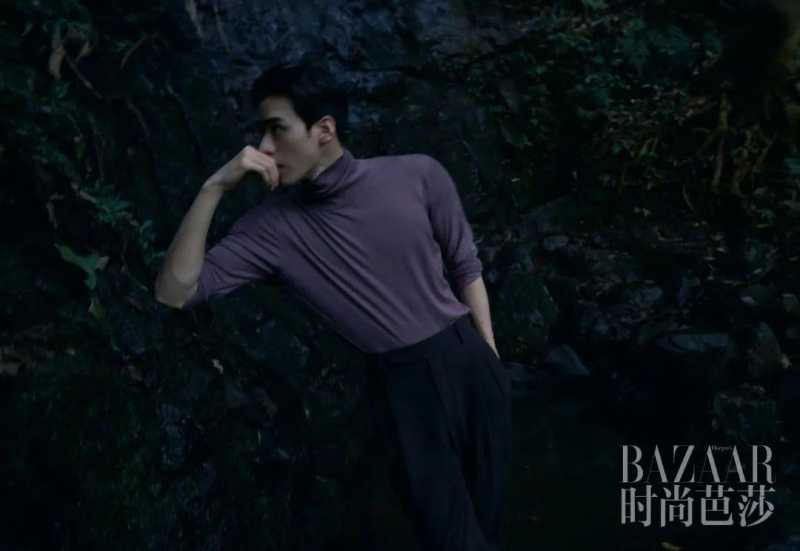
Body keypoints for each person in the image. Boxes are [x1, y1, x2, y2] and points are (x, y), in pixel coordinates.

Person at [154, 61, 512, 551]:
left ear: (324, 129)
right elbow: (174, 293)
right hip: (405, 386)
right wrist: (212, 188)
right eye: (262, 132)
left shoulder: (418, 172)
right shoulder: (270, 229)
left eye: (277, 129)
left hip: (472, 362)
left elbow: (465, 267)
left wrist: (490, 357)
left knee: (489, 530)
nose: (263, 148)